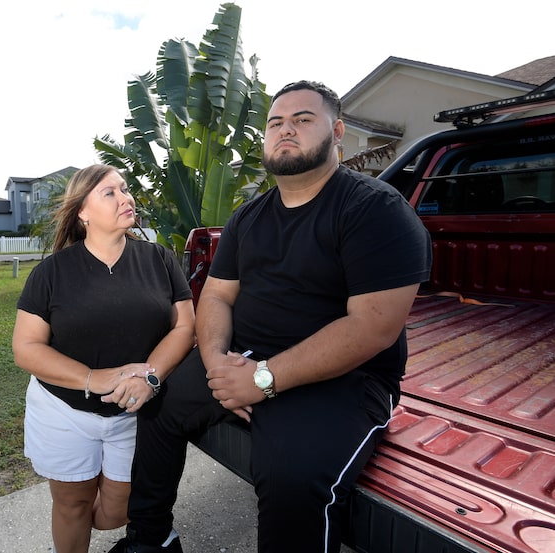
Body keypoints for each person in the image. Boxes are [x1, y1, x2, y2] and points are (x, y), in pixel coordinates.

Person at [108, 81, 433, 553]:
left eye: (303, 120)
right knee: (158, 403)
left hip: (345, 378)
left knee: (291, 475)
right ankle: (151, 538)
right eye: (276, 122)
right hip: (244, 356)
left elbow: (373, 328)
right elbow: (216, 297)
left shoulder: (377, 210)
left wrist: (264, 379)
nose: (286, 130)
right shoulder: (248, 217)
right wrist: (219, 363)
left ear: (337, 132)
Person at [11, 164, 196, 553]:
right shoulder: (52, 272)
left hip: (135, 410)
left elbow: (184, 328)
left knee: (117, 511)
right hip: (63, 411)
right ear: (83, 212)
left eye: (125, 190)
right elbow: (26, 347)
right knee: (72, 505)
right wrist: (95, 377)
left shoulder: (159, 260)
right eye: (109, 193)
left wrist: (149, 377)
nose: (125, 198)